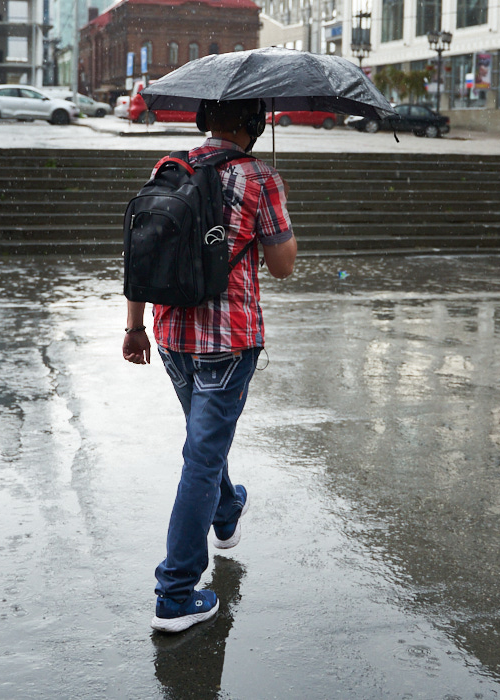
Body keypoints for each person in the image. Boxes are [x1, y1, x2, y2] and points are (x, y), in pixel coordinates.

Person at [122, 98, 297, 634]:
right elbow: (283, 265)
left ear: (203, 120)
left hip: (171, 334)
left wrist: (133, 327)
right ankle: (175, 594)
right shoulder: (260, 178)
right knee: (201, 455)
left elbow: (141, 250)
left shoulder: (169, 167)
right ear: (255, 123)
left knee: (204, 443)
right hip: (229, 338)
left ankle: (226, 512)